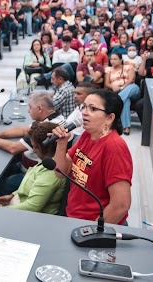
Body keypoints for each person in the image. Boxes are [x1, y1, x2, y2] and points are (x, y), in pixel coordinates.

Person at [50, 89, 133, 225]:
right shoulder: (87, 135)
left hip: (92, 225)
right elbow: (60, 173)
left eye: (92, 109)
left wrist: (94, 232)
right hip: (73, 217)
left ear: (109, 118)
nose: (84, 112)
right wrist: (61, 144)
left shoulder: (115, 147)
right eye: (84, 107)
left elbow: (121, 205)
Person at [0, 92, 64, 194]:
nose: (28, 110)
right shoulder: (51, 118)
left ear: (39, 109)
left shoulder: (47, 128)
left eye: (30, 107)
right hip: (25, 166)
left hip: (31, 174)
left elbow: (13, 148)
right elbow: (23, 130)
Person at [0, 121, 67, 215]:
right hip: (18, 204)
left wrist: (4, 210)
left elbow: (32, 207)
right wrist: (13, 195)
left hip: (29, 217)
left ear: (46, 147)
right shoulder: (46, 160)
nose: (34, 150)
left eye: (36, 147)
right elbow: (30, 183)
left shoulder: (51, 172)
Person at [105, 53, 140, 135]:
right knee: (126, 101)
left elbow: (131, 79)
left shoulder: (128, 67)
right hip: (116, 92)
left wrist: (121, 88)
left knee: (132, 87)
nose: (113, 61)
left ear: (121, 60)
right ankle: (126, 127)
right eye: (111, 59)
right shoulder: (108, 69)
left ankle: (118, 101)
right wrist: (113, 87)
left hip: (131, 89)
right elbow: (106, 83)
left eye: (115, 59)